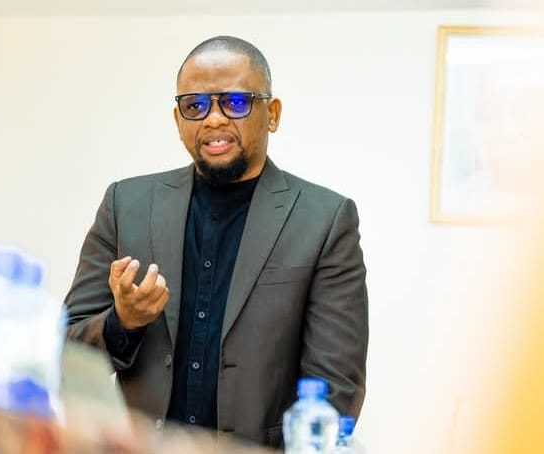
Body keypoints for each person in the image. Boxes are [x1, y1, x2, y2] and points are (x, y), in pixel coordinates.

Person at [64, 35, 368, 449]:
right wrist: (123, 322)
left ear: (272, 114)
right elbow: (64, 351)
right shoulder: (125, 204)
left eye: (236, 102)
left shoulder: (325, 219)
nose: (213, 120)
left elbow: (336, 387)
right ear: (178, 120)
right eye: (195, 105)